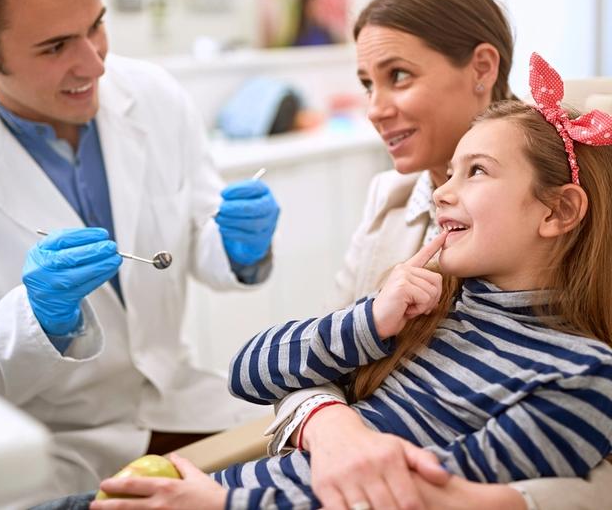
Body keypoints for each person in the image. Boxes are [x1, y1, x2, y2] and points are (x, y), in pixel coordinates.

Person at [89, 56, 612, 509]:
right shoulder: (426, 306)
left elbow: (416, 497)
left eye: (475, 172)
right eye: (448, 173)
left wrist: (225, 503)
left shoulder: (581, 376)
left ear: (558, 210)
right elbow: (247, 373)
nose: (442, 194)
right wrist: (371, 318)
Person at [0, 0, 279, 507]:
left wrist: (238, 247)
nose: (94, 63)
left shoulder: (155, 96)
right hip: (51, 445)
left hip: (179, 404)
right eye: (55, 47)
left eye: (96, 26)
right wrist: (35, 319)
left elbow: (200, 232)